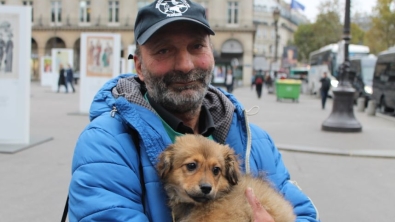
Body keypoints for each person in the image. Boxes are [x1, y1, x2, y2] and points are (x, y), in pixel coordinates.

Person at [67, 1, 320, 222]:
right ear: (140, 66)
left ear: (211, 53)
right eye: (164, 50)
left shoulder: (257, 141)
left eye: (197, 46)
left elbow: (305, 214)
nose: (186, 65)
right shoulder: (105, 146)